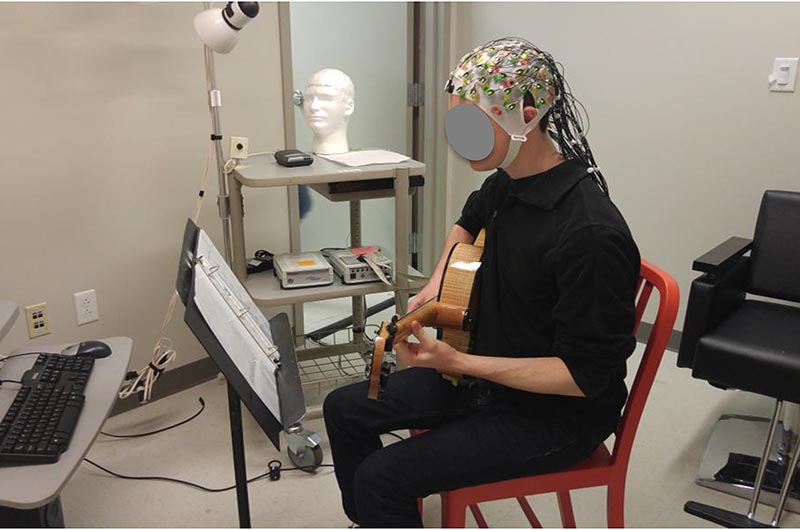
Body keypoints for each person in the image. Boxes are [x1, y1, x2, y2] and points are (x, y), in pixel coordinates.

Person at [323, 37, 640, 528]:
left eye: (472, 123)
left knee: (381, 477)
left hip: (553, 415)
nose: (459, 139)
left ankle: (378, 504)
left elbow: (583, 377)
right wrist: (437, 283)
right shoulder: (508, 181)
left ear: (527, 116)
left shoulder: (590, 235)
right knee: (344, 408)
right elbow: (467, 222)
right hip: (482, 376)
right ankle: (374, 518)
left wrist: (459, 361)